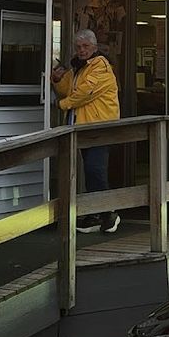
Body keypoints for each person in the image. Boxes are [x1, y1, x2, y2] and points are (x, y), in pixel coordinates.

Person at [51, 28, 121, 234]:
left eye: (85, 47)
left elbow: (85, 93)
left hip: (99, 126)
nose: (81, 50)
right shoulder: (79, 68)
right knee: (91, 171)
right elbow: (68, 89)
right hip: (84, 126)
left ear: (94, 47)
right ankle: (96, 215)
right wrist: (57, 79)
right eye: (78, 47)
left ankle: (109, 213)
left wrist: (62, 105)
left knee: (95, 169)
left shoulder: (100, 67)